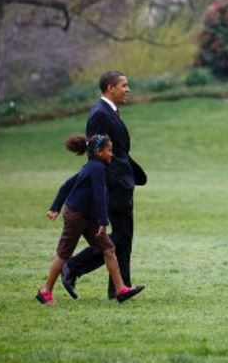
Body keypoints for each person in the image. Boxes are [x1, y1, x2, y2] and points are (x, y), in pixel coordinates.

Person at [60, 71, 146, 300]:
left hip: (122, 181)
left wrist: (133, 172)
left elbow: (118, 150)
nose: (128, 89)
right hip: (113, 184)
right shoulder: (100, 113)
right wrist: (111, 181)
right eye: (124, 85)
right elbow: (97, 153)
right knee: (120, 236)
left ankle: (120, 288)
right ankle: (73, 267)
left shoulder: (110, 112)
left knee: (124, 236)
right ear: (110, 88)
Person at [36, 134, 144, 305]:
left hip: (88, 215)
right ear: (99, 152)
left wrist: (55, 208)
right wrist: (103, 221)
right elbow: (99, 196)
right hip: (76, 216)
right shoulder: (96, 169)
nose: (112, 154)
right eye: (109, 151)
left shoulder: (94, 166)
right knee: (64, 254)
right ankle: (45, 292)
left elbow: (67, 185)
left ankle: (121, 289)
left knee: (108, 248)